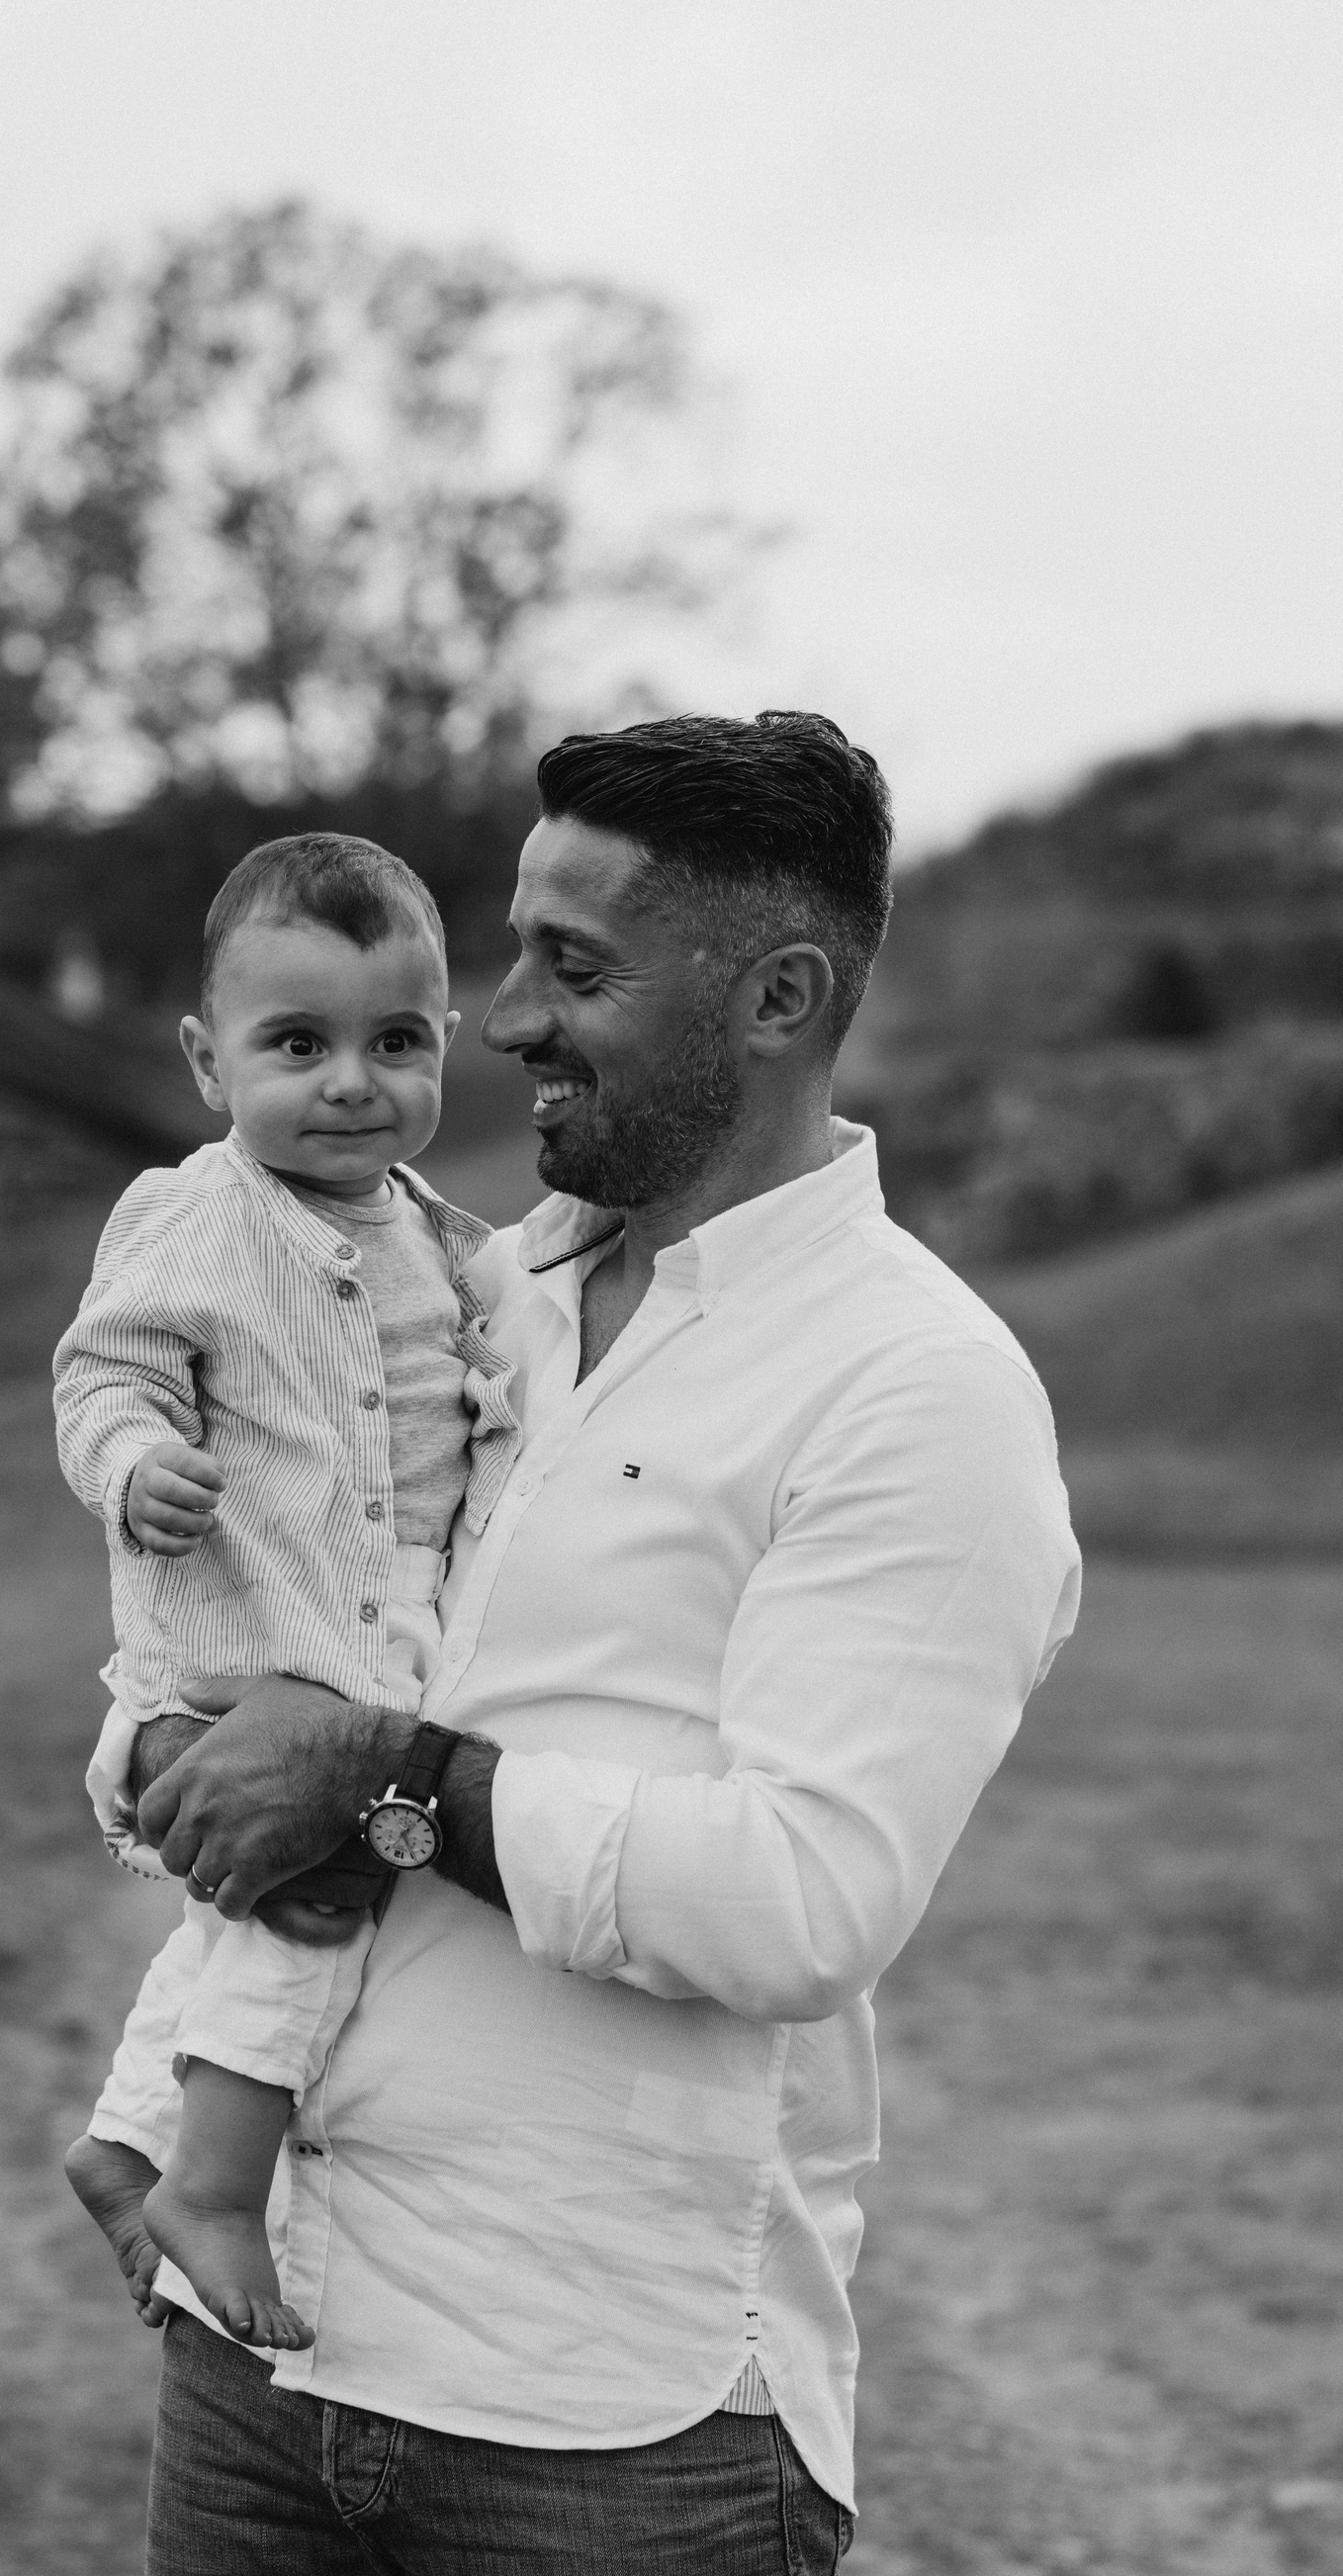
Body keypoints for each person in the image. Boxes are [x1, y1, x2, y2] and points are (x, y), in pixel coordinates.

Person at [79, 711, 1083, 2575]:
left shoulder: (918, 1388)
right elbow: (259, 1647)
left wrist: (383, 1781)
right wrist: (152, 1753)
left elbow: (801, 1904)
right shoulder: (464, 1291)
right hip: (264, 2349)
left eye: (577, 966)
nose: (508, 1016)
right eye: (516, 951)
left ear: (777, 998)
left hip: (610, 2429)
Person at [55, 833, 517, 2352]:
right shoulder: (199, 1210)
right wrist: (134, 1465)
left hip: (366, 1635)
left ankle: (129, 2141)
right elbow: (106, 1369)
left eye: (397, 1043)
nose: (351, 1084)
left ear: (444, 1040)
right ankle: (212, 2186)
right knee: (325, 1899)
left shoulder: (438, 1234)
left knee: (246, 1916)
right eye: (298, 1045)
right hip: (252, 1638)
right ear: (210, 1061)